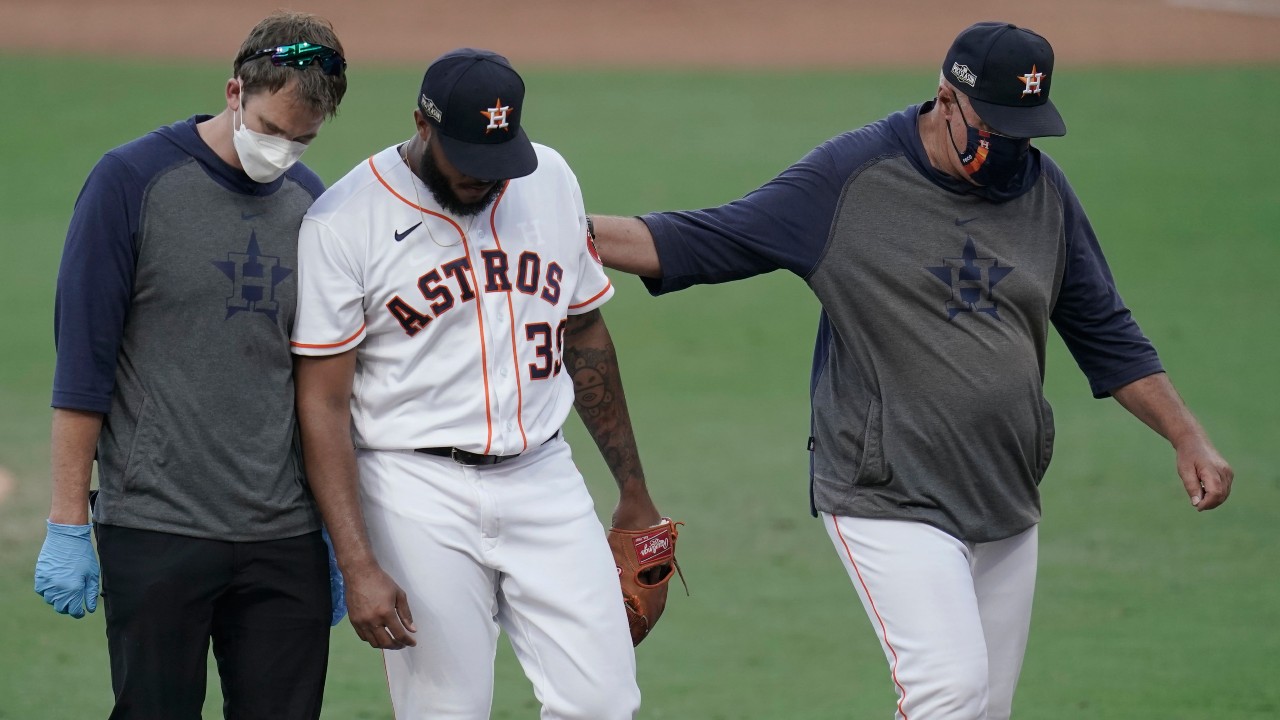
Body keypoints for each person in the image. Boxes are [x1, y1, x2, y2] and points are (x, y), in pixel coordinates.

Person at [588, 21, 1233, 720]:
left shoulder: (1043, 193)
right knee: (949, 691)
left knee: (985, 708)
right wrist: (564, 226)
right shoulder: (850, 180)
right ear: (947, 100)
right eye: (995, 130)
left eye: (1025, 134)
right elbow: (703, 239)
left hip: (1005, 496)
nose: (1011, 152)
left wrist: (1185, 434)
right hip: (888, 496)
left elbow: (1105, 329)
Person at [291, 48, 663, 719]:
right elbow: (323, 401)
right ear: (422, 126)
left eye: (499, 161)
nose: (485, 180)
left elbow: (584, 332)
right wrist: (357, 560)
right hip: (413, 487)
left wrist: (633, 491)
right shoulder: (345, 220)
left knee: (603, 701)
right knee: (446, 710)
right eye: (468, 161)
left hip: (543, 472)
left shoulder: (549, 180)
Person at [35, 11, 349, 719]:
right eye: (271, 130)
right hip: (155, 530)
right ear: (235, 91)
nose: (284, 152)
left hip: (284, 539)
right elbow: (81, 370)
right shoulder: (129, 182)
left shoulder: (314, 206)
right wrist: (66, 522)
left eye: (303, 140)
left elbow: (325, 384)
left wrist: (334, 531)